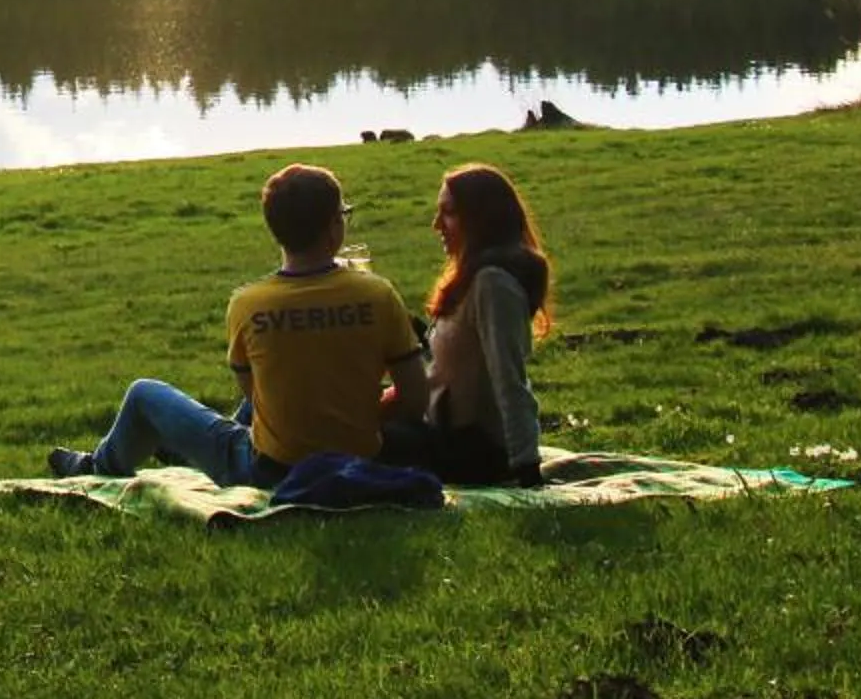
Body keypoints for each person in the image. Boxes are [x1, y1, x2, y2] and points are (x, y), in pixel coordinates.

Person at [47, 163, 426, 489]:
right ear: (333, 229)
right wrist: (351, 416)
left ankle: (98, 467)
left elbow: (260, 401)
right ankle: (178, 452)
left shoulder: (248, 304)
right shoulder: (378, 295)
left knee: (144, 393)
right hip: (362, 461)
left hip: (271, 471)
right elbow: (414, 400)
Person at [379, 162, 553, 487]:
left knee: (355, 438)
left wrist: (527, 469)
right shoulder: (474, 277)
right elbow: (455, 360)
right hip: (441, 432)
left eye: (448, 213)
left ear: (481, 219)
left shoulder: (493, 284)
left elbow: (510, 379)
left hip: (471, 450)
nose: (436, 225)